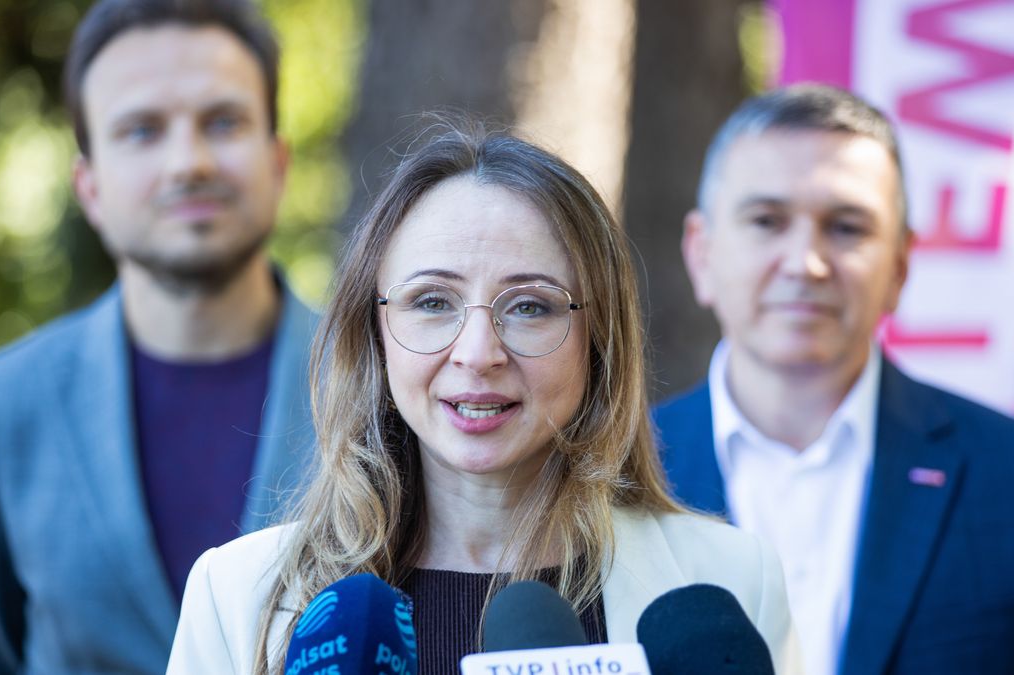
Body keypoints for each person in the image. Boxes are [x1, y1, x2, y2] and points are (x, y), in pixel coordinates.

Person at [165, 123, 804, 674]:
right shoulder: (237, 596)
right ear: (375, 332)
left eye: (529, 306)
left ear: (598, 338)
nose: (478, 352)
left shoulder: (729, 582)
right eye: (432, 302)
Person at [653, 83, 1014, 675]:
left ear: (900, 266)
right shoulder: (606, 477)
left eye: (847, 227)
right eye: (767, 220)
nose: (806, 262)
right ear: (702, 254)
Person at [0, 0, 318, 672]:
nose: (189, 162)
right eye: (142, 130)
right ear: (88, 186)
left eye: (223, 121)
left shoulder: (386, 382)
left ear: (277, 161)